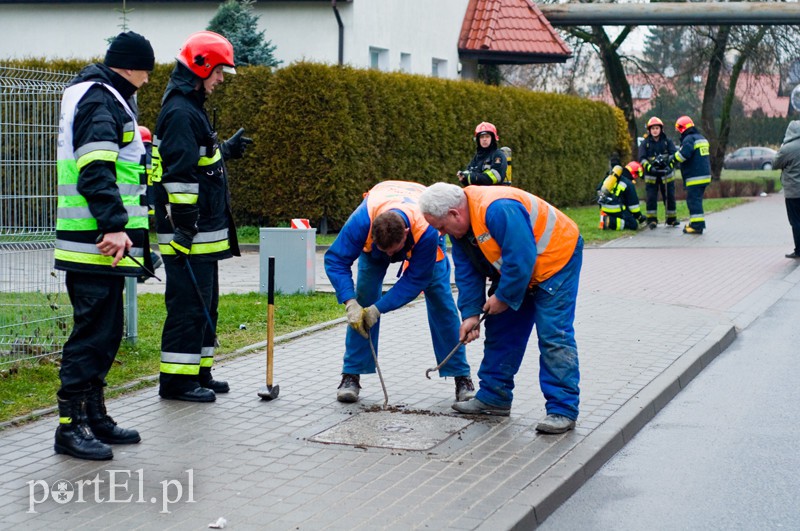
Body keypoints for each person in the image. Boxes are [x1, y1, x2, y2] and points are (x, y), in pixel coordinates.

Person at [53, 31, 155, 460]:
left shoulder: (101, 95)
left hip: (100, 245)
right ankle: (69, 425)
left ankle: (94, 415)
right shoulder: (101, 99)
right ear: (130, 66)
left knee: (106, 333)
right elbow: (96, 169)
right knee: (91, 335)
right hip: (95, 244)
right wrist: (114, 225)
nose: (148, 80)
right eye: (146, 70)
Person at [419, 183, 583, 434]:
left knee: (553, 335)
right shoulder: (460, 231)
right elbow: (467, 273)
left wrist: (503, 297)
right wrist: (471, 315)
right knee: (502, 328)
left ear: (454, 214)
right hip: (518, 271)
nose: (440, 234)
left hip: (555, 262)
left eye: (440, 227)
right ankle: (494, 397)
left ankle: (562, 409)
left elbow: (521, 256)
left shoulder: (497, 208)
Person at [153, 31, 253, 402]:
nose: (222, 79)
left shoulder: (189, 107)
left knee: (205, 305)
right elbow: (178, 178)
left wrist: (225, 150)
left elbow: (199, 163)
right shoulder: (180, 111)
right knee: (188, 307)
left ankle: (199, 372)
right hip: (188, 237)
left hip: (199, 235)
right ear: (201, 67)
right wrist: (183, 231)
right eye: (219, 71)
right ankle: (177, 383)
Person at [324, 180, 476, 403]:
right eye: (384, 250)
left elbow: (416, 280)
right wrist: (350, 302)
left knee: (442, 302)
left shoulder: (427, 229)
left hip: (423, 240)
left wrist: (379, 309)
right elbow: (335, 259)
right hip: (379, 229)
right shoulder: (362, 221)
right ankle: (351, 376)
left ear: (405, 233)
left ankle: (461, 376)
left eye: (392, 251)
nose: (389, 256)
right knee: (364, 297)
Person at [671, 115, 711, 235]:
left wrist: (672, 159)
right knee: (696, 200)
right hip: (704, 175)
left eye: (679, 130)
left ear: (682, 128)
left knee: (693, 201)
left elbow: (683, 155)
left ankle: (697, 226)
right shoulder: (701, 138)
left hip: (695, 177)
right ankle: (696, 223)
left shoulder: (689, 139)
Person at [638, 116, 679, 228]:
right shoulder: (645, 143)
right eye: (653, 128)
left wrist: (668, 165)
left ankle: (671, 219)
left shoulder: (667, 141)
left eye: (657, 128)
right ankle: (652, 220)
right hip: (651, 176)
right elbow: (642, 159)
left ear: (661, 129)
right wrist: (650, 168)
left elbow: (674, 155)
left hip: (667, 176)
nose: (655, 130)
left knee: (669, 197)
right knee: (651, 198)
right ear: (649, 130)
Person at [137, 125, 163, 282]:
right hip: (156, 204)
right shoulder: (155, 155)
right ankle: (145, 268)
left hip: (141, 203)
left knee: (139, 236)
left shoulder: (137, 156)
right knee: (142, 236)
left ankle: (150, 261)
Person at [773, 120, 800, 258]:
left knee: (796, 221)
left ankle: (799, 250)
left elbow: (774, 164)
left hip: (793, 192)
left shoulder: (787, 149)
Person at [597, 161, 647, 231]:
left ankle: (606, 219)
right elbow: (633, 207)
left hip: (604, 208)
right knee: (633, 224)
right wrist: (640, 217)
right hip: (615, 209)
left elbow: (598, 189)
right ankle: (610, 222)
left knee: (627, 213)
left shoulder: (610, 177)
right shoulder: (628, 184)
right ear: (634, 174)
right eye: (637, 176)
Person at [457, 122, 508, 186]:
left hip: (493, 193)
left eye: (487, 136)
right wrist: (463, 177)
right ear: (478, 140)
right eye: (481, 137)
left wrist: (473, 177)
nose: (484, 139)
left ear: (493, 138)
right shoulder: (477, 156)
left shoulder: (498, 155)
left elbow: (496, 176)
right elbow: (469, 170)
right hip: (479, 193)